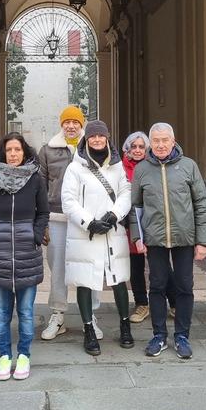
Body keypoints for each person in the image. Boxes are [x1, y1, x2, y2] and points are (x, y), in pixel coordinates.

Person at [130, 122, 206, 359]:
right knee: (157, 285)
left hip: (184, 237)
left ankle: (182, 335)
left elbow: (201, 204)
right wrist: (137, 236)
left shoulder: (188, 166)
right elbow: (136, 206)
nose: (161, 145)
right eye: (156, 141)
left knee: (185, 286)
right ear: (150, 144)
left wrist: (203, 241)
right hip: (154, 239)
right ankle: (158, 335)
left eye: (165, 140)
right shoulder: (142, 169)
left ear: (173, 142)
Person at [0, 133, 49, 380]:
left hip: (28, 253)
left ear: (24, 152)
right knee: (2, 313)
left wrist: (36, 235)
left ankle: (24, 355)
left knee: (26, 312)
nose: (14, 154)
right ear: (3, 153)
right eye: (9, 150)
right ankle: (5, 356)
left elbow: (43, 213)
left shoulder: (35, 178)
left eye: (17, 149)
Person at [62, 120, 134, 356]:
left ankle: (125, 326)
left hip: (112, 230)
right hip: (86, 234)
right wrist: (89, 222)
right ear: (86, 139)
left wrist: (113, 216)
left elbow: (126, 193)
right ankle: (88, 330)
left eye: (100, 136)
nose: (96, 140)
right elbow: (68, 201)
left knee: (118, 279)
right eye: (92, 136)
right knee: (85, 281)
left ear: (107, 137)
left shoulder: (117, 166)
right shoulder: (75, 167)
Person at [37, 105, 102, 341]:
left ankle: (91, 315)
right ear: (61, 124)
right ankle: (58, 314)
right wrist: (42, 221)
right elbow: (40, 186)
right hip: (57, 217)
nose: (71, 126)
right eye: (67, 122)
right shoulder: (48, 150)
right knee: (58, 269)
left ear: (81, 124)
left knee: (89, 265)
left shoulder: (91, 147)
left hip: (86, 219)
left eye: (75, 122)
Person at [121, 131, 178, 324]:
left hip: (155, 222)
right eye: (133, 147)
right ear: (127, 149)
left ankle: (174, 302)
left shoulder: (154, 166)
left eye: (141, 147)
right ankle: (141, 303)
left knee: (162, 266)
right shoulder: (119, 168)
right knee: (135, 266)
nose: (137, 150)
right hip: (132, 223)